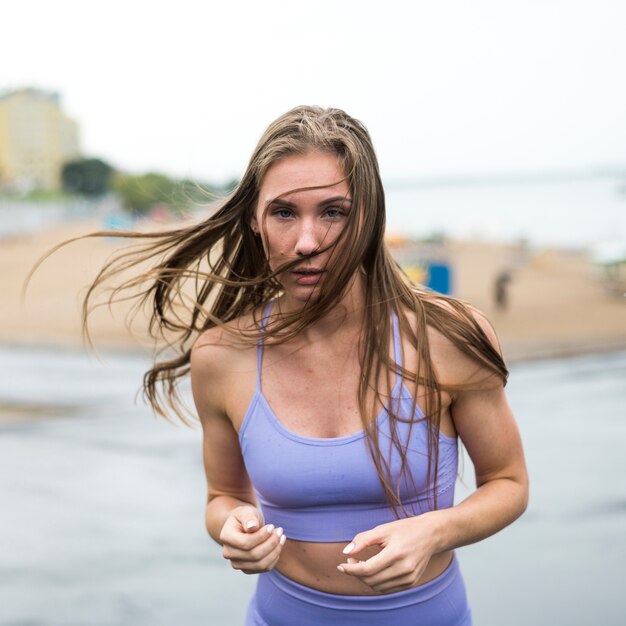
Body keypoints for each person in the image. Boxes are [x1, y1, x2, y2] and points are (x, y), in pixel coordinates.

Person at [77, 106, 528, 625]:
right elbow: (223, 496)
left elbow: (509, 482)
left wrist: (435, 531)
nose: (307, 242)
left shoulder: (445, 337)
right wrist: (234, 525)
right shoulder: (222, 355)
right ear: (255, 219)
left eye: (333, 211)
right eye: (284, 213)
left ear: (368, 216)